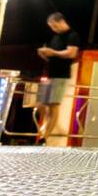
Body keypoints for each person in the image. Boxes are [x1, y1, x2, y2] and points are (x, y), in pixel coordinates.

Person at [35, 13, 80, 144]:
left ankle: (44, 137)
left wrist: (53, 52)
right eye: (51, 27)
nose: (53, 29)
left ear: (61, 22)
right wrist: (44, 53)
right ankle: (43, 131)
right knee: (41, 104)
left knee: (54, 105)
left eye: (54, 26)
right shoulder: (55, 37)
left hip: (61, 75)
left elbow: (72, 53)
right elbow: (52, 57)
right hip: (50, 74)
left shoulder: (73, 35)